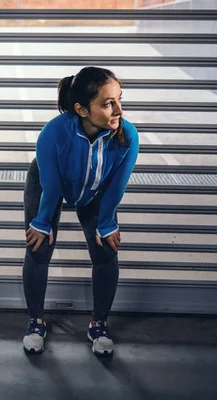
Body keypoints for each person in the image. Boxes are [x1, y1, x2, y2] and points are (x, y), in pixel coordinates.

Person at [22, 66, 139, 356]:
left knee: (105, 251)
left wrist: (107, 221)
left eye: (119, 99)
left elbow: (116, 186)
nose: (118, 110)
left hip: (96, 190)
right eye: (108, 103)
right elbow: (51, 185)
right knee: (39, 247)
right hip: (49, 183)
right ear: (82, 109)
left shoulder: (128, 136)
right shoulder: (53, 133)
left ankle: (98, 324)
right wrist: (42, 221)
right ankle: (36, 321)